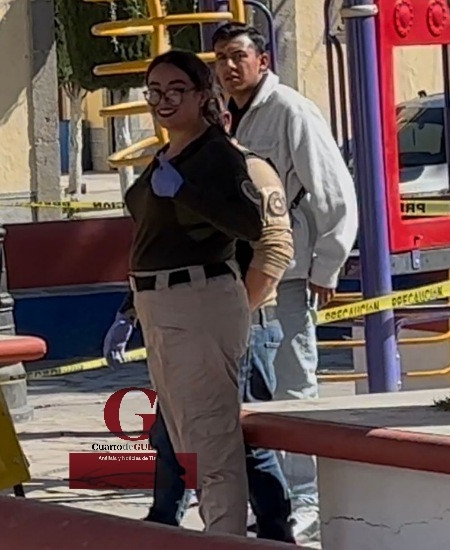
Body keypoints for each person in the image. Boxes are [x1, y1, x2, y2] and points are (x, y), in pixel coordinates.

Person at [102, 49, 266, 536]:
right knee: (185, 440)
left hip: (199, 300)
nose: (163, 100)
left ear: (201, 95)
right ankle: (217, 532)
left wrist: (187, 192)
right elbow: (152, 240)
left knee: (211, 440)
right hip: (157, 303)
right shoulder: (167, 155)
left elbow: (251, 224)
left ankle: (227, 538)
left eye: (177, 90)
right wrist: (129, 310)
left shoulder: (216, 153)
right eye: (154, 91)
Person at [211, 23, 359, 544]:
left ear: (263, 60)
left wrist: (327, 265)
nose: (229, 67)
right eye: (220, 58)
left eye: (238, 56)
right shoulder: (223, 115)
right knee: (254, 392)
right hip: (239, 275)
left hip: (289, 274)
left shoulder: (291, 111)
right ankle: (274, 501)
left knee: (294, 386)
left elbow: (333, 191)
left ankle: (308, 501)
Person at [136, 96, 297, 543]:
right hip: (185, 320)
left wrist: (235, 313)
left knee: (239, 443)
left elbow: (275, 248)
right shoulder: (175, 167)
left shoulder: (249, 169)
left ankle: (275, 531)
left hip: (242, 322)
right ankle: (164, 522)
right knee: (173, 434)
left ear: (224, 120)